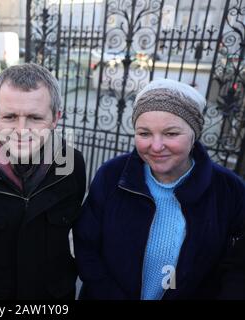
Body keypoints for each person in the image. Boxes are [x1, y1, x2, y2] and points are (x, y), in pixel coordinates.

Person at [74, 78, 245, 300]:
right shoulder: (111, 175)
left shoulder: (229, 190)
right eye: (144, 133)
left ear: (194, 134)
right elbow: (86, 244)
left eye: (171, 133)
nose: (156, 146)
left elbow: (237, 265)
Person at [0, 63, 86, 299]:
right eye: (10, 117)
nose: (21, 130)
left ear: (55, 118)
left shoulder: (73, 166)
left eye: (35, 117)